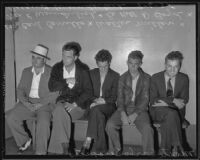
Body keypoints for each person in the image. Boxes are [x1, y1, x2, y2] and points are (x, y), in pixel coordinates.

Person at [6, 44, 58, 155]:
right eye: (33, 57)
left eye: (38, 58)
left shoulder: (52, 72)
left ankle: (40, 152)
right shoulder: (26, 71)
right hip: (27, 103)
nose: (34, 60)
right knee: (11, 117)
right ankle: (24, 141)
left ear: (44, 60)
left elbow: (55, 93)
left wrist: (40, 104)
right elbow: (20, 90)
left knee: (43, 123)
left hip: (44, 104)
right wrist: (26, 103)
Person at [47, 42, 93, 155]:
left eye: (68, 57)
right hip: (61, 102)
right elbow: (51, 86)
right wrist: (66, 81)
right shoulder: (57, 68)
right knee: (59, 110)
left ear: (75, 57)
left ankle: (63, 150)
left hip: (77, 106)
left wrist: (75, 104)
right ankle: (66, 149)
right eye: (63, 55)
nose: (64, 59)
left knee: (58, 115)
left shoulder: (83, 70)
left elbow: (89, 92)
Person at [106, 50, 154, 156]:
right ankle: (116, 150)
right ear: (127, 62)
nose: (133, 66)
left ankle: (148, 154)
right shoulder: (122, 78)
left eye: (136, 64)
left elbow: (145, 99)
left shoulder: (146, 78)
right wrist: (122, 113)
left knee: (147, 128)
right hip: (124, 108)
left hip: (140, 110)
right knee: (110, 125)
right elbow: (120, 99)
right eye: (130, 63)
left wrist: (135, 114)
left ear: (140, 64)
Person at [79, 49, 120, 155]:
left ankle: (88, 140)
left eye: (105, 66)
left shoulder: (115, 76)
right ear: (97, 63)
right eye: (100, 66)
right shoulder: (90, 74)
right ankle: (100, 150)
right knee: (98, 116)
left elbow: (114, 96)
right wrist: (94, 101)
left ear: (109, 63)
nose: (102, 69)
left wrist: (104, 100)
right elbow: (86, 92)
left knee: (96, 111)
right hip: (93, 106)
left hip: (108, 107)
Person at [149, 51, 189, 157]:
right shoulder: (155, 78)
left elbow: (184, 100)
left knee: (171, 115)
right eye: (169, 66)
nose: (172, 70)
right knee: (171, 114)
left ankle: (164, 150)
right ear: (165, 65)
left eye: (176, 66)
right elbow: (153, 100)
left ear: (180, 66)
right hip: (157, 112)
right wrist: (173, 100)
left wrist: (165, 102)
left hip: (176, 113)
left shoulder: (184, 78)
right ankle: (179, 147)